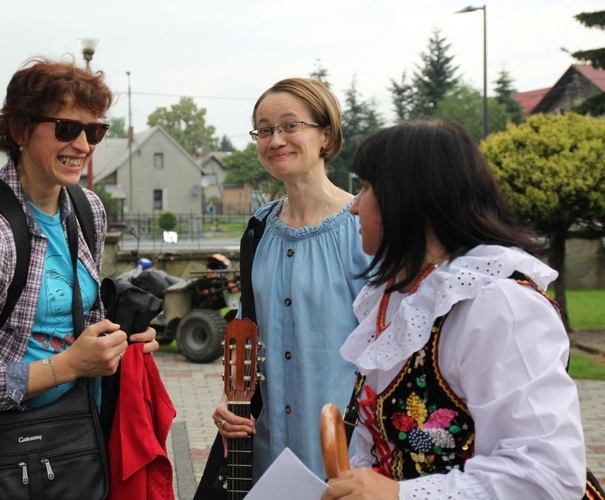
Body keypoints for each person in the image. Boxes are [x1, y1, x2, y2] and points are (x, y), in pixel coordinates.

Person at [323, 119, 585, 499]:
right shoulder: (400, 296)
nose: (354, 207)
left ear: (408, 197)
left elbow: (548, 475)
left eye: (365, 188)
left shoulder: (497, 306)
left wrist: (400, 496)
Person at [0, 58, 159, 480]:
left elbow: (77, 319)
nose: (84, 145)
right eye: (66, 128)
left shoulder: (86, 208)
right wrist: (70, 365)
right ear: (20, 130)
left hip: (76, 435)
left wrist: (117, 337)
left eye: (94, 131)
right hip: (1, 457)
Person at [208, 77, 371, 484]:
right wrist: (231, 405)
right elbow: (245, 341)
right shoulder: (258, 230)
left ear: (326, 135)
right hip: (267, 455)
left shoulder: (363, 227)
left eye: (289, 125)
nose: (275, 139)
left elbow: (388, 347)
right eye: (264, 130)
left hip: (346, 456)